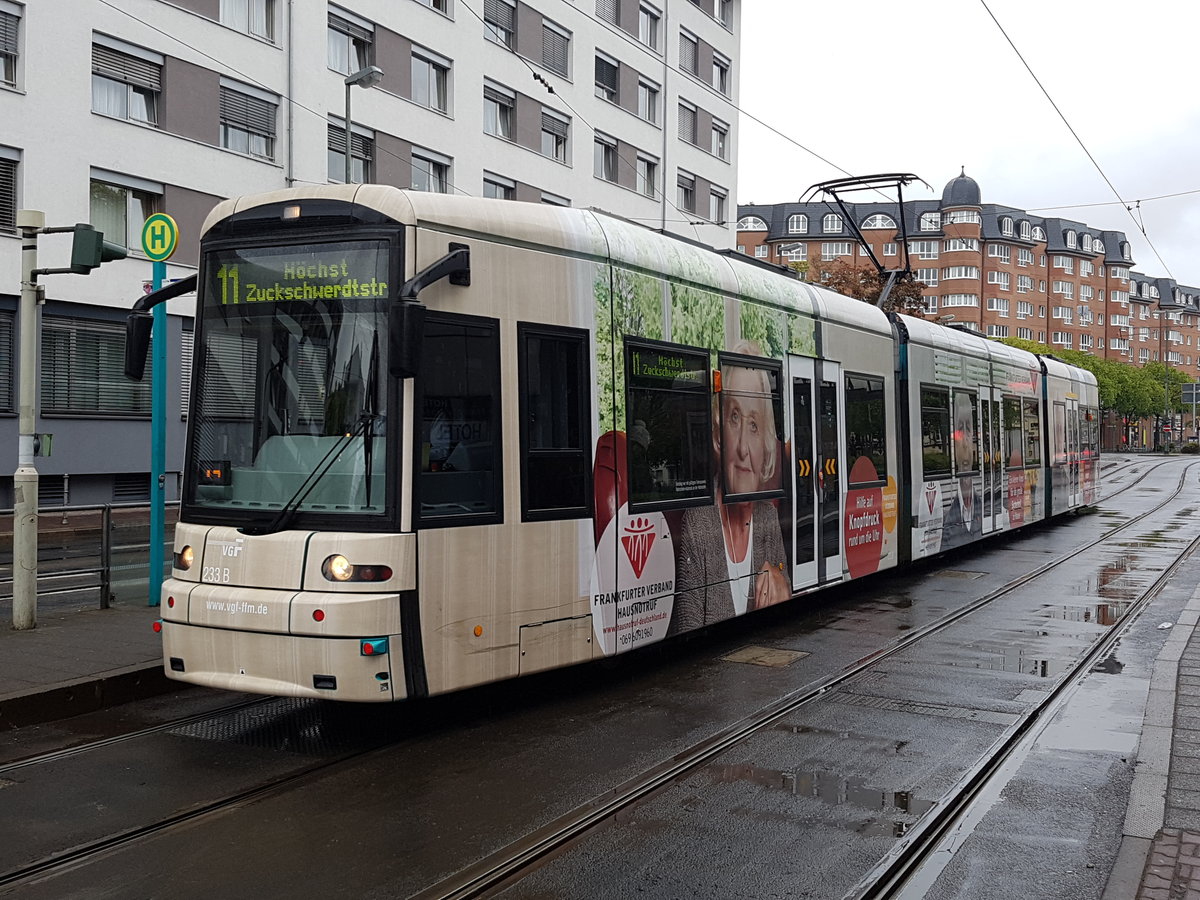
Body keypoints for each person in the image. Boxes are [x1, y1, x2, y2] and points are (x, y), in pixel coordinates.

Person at [671, 342, 790, 633]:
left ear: (765, 443)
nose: (743, 449)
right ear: (718, 433)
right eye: (734, 417)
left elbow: (784, 585)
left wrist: (780, 579)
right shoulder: (698, 523)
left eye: (754, 425)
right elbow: (689, 632)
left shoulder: (767, 517)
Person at [944, 391, 983, 545]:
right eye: (960, 430)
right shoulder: (947, 517)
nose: (966, 443)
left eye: (969, 430)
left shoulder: (983, 504)